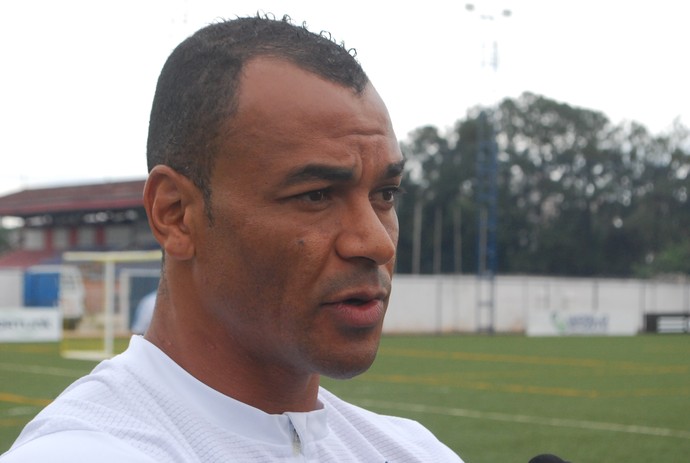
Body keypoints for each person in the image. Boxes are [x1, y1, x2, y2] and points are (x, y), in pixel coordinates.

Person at [1, 15, 464, 462]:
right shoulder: (82, 452)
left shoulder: (413, 450)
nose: (376, 243)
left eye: (385, 194)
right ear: (176, 215)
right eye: (316, 195)